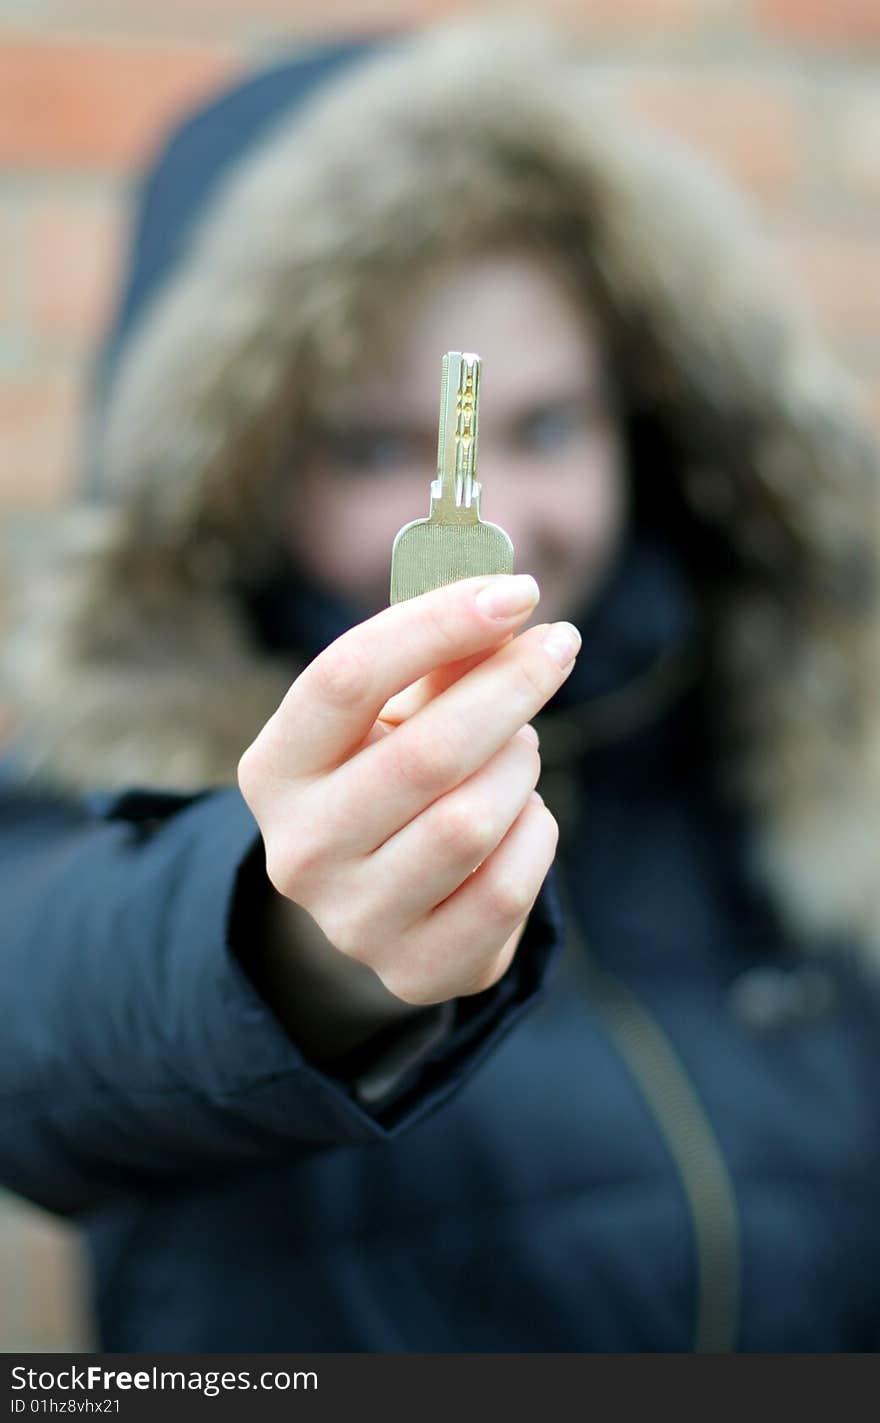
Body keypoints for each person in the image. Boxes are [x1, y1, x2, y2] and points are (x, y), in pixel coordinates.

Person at [3, 15, 880, 1352]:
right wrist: (288, 944)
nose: (499, 519)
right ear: (243, 474)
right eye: (365, 447)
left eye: (549, 425)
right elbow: (44, 1024)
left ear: (637, 413)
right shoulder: (115, 770)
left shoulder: (784, 749)